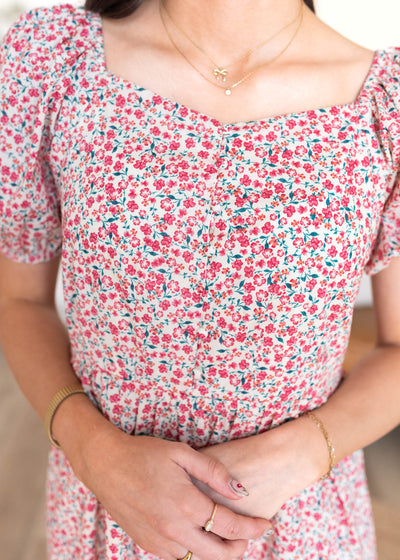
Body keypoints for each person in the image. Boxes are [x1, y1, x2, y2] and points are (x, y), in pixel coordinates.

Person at [0, 0, 399, 558]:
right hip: (110, 506)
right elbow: (21, 302)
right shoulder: (53, 57)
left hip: (298, 518)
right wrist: (93, 451)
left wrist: (302, 455)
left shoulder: (388, 103)